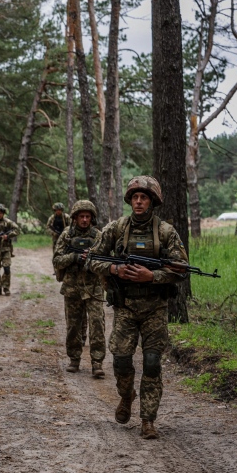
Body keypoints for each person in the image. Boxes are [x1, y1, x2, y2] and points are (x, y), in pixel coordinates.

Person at [86, 176, 188, 440]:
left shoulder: (165, 232)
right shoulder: (116, 229)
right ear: (130, 200)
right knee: (121, 361)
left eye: (144, 197)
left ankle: (148, 420)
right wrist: (114, 268)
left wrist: (151, 276)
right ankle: (126, 395)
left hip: (155, 308)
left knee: (152, 363)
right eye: (135, 197)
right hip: (125, 307)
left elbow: (181, 270)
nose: (139, 201)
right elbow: (92, 260)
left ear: (152, 201)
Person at [52, 200, 105, 378]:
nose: (84, 220)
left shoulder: (98, 236)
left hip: (94, 288)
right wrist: (74, 257)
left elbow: (106, 261)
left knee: (97, 324)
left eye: (87, 216)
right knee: (73, 326)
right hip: (72, 287)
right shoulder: (66, 235)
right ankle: (74, 359)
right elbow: (57, 260)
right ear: (75, 218)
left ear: (92, 218)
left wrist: (90, 260)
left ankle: (97, 363)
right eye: (81, 216)